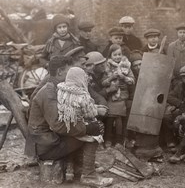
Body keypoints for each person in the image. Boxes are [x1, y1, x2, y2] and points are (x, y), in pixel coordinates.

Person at [26, 55, 113, 186]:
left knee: (89, 125)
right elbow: (58, 125)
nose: (71, 74)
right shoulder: (49, 92)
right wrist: (86, 128)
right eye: (69, 71)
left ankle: (80, 165)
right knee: (95, 130)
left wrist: (94, 109)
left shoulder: (58, 87)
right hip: (46, 146)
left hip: (49, 139)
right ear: (60, 71)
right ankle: (89, 175)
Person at [56, 67, 107, 180]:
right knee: (97, 128)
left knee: (79, 134)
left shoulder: (60, 90)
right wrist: (98, 110)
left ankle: (71, 168)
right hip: (76, 126)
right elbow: (90, 113)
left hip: (64, 125)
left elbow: (74, 108)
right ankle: (88, 172)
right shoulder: (81, 94)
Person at [102, 44, 135, 147]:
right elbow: (103, 83)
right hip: (112, 96)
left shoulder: (126, 66)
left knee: (120, 119)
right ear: (110, 55)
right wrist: (111, 77)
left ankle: (119, 141)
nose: (117, 57)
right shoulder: (107, 66)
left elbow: (132, 81)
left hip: (122, 97)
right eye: (115, 55)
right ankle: (108, 139)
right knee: (110, 118)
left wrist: (124, 78)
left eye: (119, 54)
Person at [162, 65, 185, 153]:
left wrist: (182, 106)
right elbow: (169, 97)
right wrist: (180, 104)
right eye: (184, 77)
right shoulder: (180, 86)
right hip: (181, 108)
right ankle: (171, 140)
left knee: (180, 120)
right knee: (166, 117)